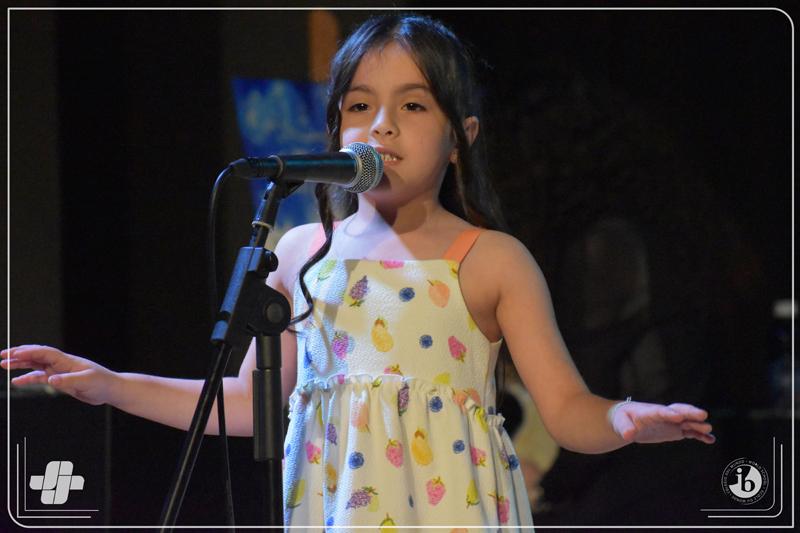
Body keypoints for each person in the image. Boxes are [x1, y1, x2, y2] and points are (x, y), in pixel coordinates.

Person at [2, 13, 715, 530]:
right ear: (335, 129)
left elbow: (566, 411)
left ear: (461, 136)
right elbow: (247, 403)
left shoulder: (491, 259)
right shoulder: (300, 251)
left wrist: (623, 419)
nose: (381, 126)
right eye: (360, 106)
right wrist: (108, 383)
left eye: (413, 105)